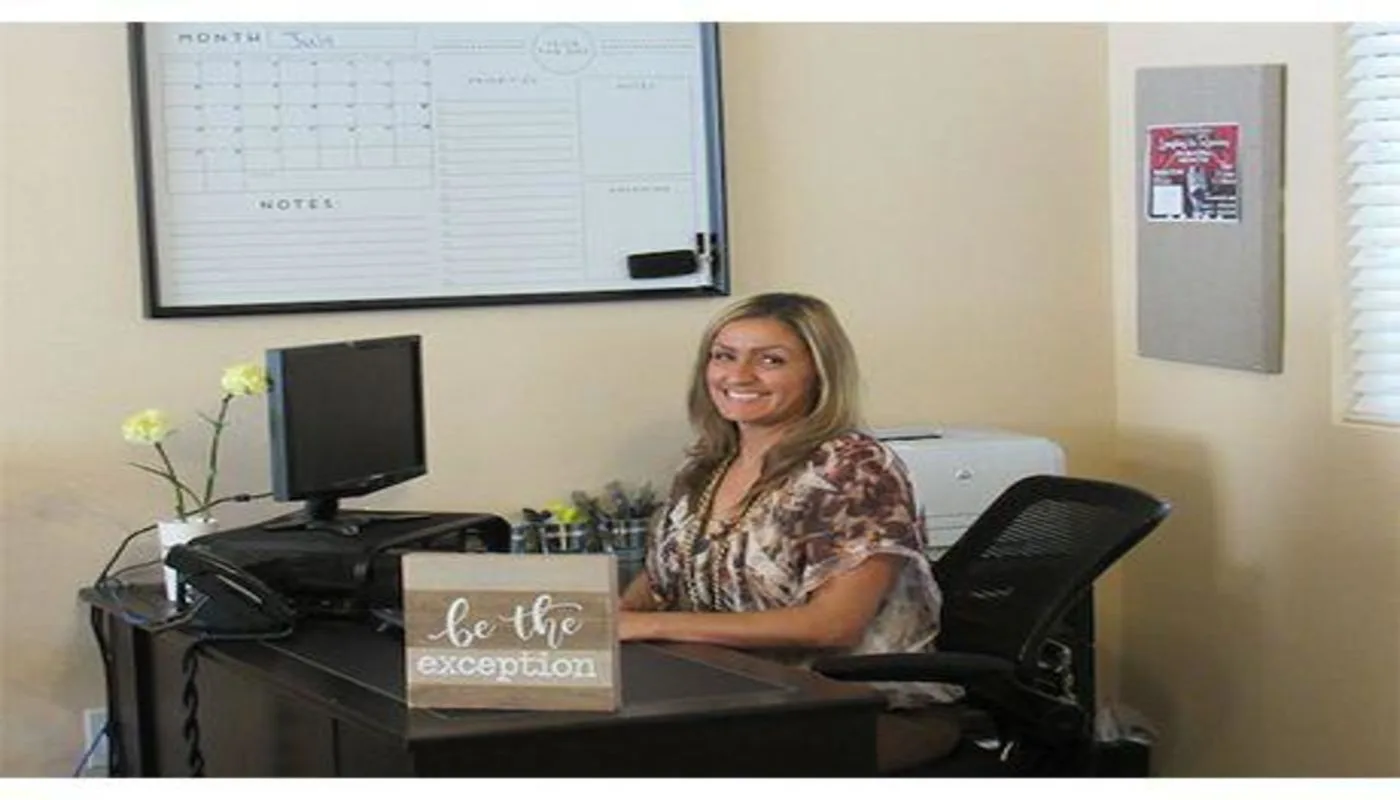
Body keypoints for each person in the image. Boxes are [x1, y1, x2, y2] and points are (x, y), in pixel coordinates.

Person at [618, 291, 961, 772]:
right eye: (724, 356)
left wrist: (646, 627)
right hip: (738, 693)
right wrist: (601, 619)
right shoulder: (708, 464)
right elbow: (660, 582)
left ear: (819, 373)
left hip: (856, 708)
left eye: (771, 360)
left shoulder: (850, 469)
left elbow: (832, 624)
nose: (739, 376)